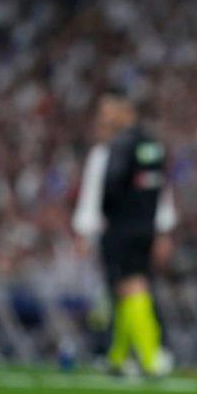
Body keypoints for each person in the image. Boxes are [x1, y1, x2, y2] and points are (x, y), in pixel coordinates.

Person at [72, 88, 176, 375]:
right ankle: (117, 356)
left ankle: (152, 355)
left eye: (107, 110)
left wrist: (86, 229)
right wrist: (162, 228)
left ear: (123, 109)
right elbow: (160, 188)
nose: (102, 116)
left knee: (131, 285)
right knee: (120, 289)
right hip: (145, 226)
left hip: (120, 227)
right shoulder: (151, 145)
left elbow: (100, 193)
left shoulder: (111, 149)